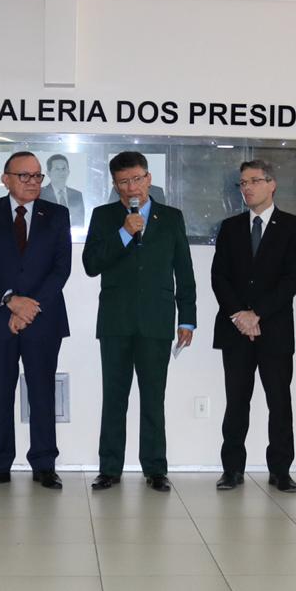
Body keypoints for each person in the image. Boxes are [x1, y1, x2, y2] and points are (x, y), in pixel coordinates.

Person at [83, 151, 195, 492]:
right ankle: (109, 469)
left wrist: (187, 319)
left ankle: (155, 469)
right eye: (123, 182)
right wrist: (124, 233)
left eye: (136, 179)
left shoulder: (171, 217)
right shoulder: (104, 216)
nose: (131, 187)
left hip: (157, 321)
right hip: (115, 321)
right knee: (114, 398)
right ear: (115, 185)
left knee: (153, 399)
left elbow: (184, 272)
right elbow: (91, 264)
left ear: (148, 178)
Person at [0, 152, 71, 490]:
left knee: (42, 392)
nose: (33, 182)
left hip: (43, 318)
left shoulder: (57, 214)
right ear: (6, 179)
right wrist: (11, 301)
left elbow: (61, 268)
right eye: (24, 176)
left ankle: (44, 464)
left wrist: (29, 309)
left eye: (37, 176)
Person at [210, 160, 296, 492]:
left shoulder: (294, 226)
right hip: (235, 330)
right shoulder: (230, 227)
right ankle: (232, 470)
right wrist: (240, 315)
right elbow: (219, 277)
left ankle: (280, 470)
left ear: (272, 184)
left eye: (254, 181)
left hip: (274, 330)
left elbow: (291, 279)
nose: (247, 188)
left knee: (279, 403)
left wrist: (257, 315)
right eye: (242, 183)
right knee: (236, 402)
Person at [42, 154, 87, 228]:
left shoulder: (77, 195)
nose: (61, 172)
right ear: (48, 173)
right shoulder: (41, 194)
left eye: (64, 169)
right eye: (57, 169)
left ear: (68, 172)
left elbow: (80, 224)